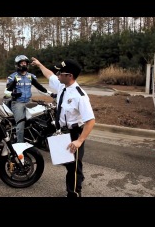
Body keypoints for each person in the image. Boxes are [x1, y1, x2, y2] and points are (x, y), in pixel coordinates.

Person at [31, 57, 96, 197]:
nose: (58, 75)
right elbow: (49, 74)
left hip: (74, 134)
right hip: (61, 131)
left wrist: (79, 141)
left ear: (70, 76)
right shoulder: (62, 85)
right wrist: (39, 64)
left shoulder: (80, 96)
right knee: (64, 159)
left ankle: (74, 192)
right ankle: (78, 175)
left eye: (61, 73)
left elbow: (90, 121)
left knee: (72, 167)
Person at [6, 54, 51, 143]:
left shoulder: (31, 76)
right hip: (18, 103)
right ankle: (20, 145)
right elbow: (6, 92)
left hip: (28, 101)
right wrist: (13, 93)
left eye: (25, 63)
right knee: (21, 124)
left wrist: (51, 94)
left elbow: (40, 89)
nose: (24, 65)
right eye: (22, 63)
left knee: (41, 116)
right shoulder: (12, 77)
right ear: (17, 65)